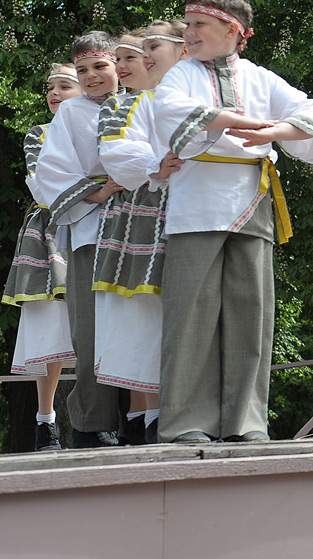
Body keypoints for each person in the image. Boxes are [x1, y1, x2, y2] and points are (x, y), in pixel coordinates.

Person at [152, 0, 313, 443]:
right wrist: (244, 122)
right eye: (188, 24)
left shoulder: (260, 77)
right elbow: (169, 111)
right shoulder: (181, 75)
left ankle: (246, 422)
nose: (188, 34)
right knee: (190, 316)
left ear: (232, 29)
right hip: (196, 204)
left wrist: (279, 129)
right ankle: (187, 423)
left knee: (250, 315)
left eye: (198, 25)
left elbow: (309, 111)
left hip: (252, 201)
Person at [92, 24, 187, 444]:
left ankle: (172, 413)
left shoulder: (183, 97)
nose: (127, 65)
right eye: (126, 57)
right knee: (140, 314)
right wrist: (157, 166)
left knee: (176, 313)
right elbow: (115, 152)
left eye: (135, 55)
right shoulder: (120, 105)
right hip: (139, 215)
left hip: (185, 210)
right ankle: (149, 418)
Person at [37, 31, 126, 449]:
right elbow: (50, 171)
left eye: (99, 67)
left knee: (136, 320)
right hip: (91, 227)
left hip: (140, 228)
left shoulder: (141, 102)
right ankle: (92, 424)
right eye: (82, 70)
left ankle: (142, 416)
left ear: (117, 66)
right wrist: (99, 191)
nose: (91, 76)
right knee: (90, 327)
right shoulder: (70, 113)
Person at [4, 63, 83, 451]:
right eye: (50, 87)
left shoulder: (103, 125)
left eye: (64, 86)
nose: (53, 93)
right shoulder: (40, 134)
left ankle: (100, 417)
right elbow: (41, 186)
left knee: (97, 324)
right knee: (50, 324)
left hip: (95, 224)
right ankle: (45, 422)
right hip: (51, 233)